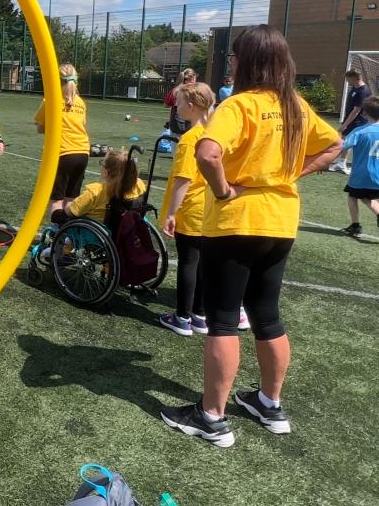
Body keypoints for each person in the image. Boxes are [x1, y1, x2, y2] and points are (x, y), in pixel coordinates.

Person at [160, 26, 341, 448]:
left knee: (223, 320)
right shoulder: (295, 105)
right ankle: (269, 403)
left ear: (248, 61)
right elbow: (334, 145)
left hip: (236, 222)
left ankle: (211, 416)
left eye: (235, 56)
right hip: (281, 221)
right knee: (267, 314)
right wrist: (291, 175)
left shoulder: (237, 105)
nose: (232, 64)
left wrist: (224, 190)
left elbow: (207, 153)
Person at [158, 82, 214, 337]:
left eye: (178, 103)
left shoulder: (189, 140)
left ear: (191, 107)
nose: (176, 107)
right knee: (204, 263)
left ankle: (181, 316)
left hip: (191, 209)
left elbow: (183, 179)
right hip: (210, 210)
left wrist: (171, 213)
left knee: (188, 263)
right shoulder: (214, 135)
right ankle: (200, 315)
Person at [34, 64, 89, 215]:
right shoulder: (80, 102)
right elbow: (81, 124)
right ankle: (67, 235)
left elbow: (40, 128)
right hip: (83, 152)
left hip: (63, 153)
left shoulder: (50, 100)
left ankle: (57, 233)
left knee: (56, 199)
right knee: (71, 198)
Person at [53, 149, 146, 222]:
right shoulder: (140, 185)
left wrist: (57, 206)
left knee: (57, 211)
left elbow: (70, 212)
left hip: (93, 237)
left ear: (106, 172)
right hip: (125, 232)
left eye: (102, 163)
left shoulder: (95, 192)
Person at [340, 96, 379, 237]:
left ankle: (355, 226)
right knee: (366, 198)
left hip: (362, 175)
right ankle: (355, 226)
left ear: (365, 113)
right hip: (378, 175)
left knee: (353, 196)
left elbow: (343, 146)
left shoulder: (360, 131)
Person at [329, 69, 373, 174]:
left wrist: (345, 125)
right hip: (350, 118)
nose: (348, 81)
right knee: (344, 140)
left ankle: (344, 164)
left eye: (349, 79)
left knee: (347, 141)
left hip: (357, 121)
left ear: (355, 78)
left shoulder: (363, 91)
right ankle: (341, 162)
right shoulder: (355, 88)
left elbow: (356, 111)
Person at [164, 68, 197, 135]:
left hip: (175, 125)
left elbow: (166, 104)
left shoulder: (176, 89)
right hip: (185, 126)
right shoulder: (192, 91)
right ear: (193, 78)